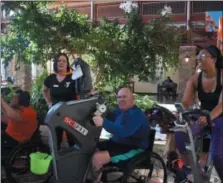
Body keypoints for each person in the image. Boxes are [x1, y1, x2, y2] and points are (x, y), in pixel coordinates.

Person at [174, 45, 223, 181]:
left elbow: (221, 105)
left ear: (213, 59)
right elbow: (186, 102)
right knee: (180, 134)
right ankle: (192, 169)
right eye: (198, 56)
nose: (199, 59)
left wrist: (209, 117)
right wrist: (180, 111)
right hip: (202, 116)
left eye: (203, 56)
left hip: (219, 117)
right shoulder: (195, 78)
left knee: (217, 155)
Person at [88, 87, 149, 182]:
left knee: (97, 157)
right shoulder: (120, 111)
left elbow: (124, 131)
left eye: (124, 97)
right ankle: (96, 178)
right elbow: (108, 113)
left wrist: (103, 122)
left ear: (132, 99)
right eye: (119, 97)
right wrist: (98, 98)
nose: (121, 100)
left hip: (133, 149)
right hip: (116, 143)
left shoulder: (137, 115)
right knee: (89, 148)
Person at [42, 53, 77, 149]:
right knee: (55, 140)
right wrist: (49, 103)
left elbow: (82, 92)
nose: (61, 62)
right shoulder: (51, 78)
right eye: (59, 61)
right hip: (56, 114)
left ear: (67, 64)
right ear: (56, 63)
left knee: (72, 140)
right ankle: (55, 162)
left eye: (64, 61)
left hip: (70, 115)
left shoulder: (73, 77)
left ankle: (73, 160)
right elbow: (44, 90)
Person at [1, 90, 38, 157]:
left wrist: (2, 100)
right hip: (11, 135)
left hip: (15, 139)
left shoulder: (28, 112)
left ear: (20, 101)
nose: (11, 99)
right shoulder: (21, 110)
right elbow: (7, 116)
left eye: (14, 98)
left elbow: (10, 114)